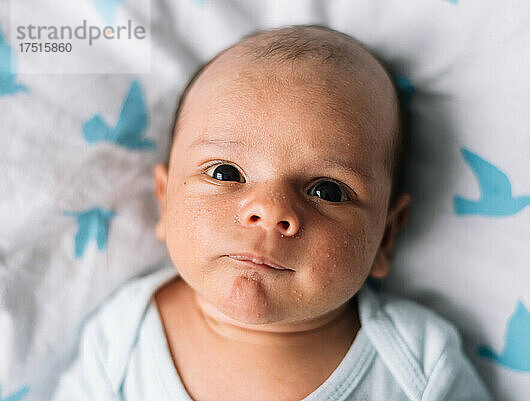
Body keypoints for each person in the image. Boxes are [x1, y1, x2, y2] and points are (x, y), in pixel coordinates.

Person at [51, 25, 491, 400]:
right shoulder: (122, 337)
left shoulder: (418, 365)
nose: (270, 209)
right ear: (164, 200)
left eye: (326, 190)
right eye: (225, 172)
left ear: (386, 236)